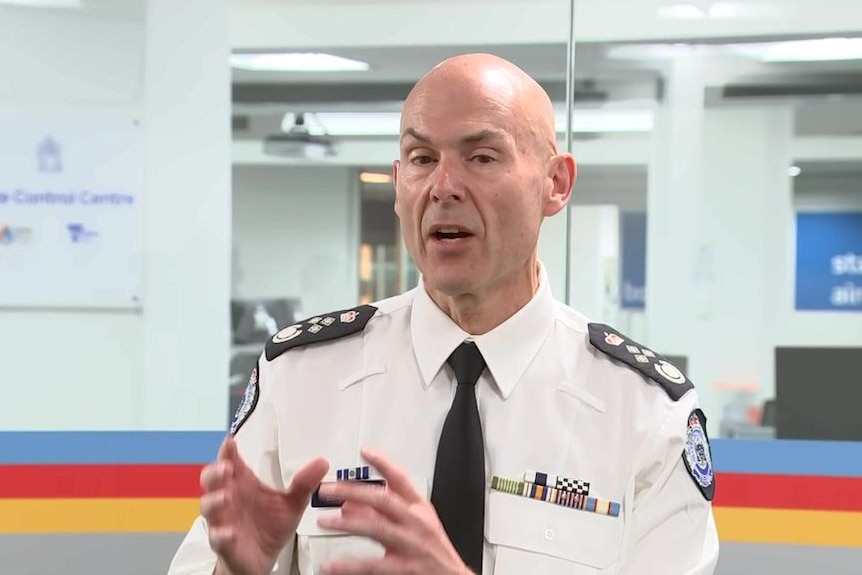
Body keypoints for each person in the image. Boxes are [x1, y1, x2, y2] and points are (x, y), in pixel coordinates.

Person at [168, 53, 719, 575]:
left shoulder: (644, 415)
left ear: (556, 184)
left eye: (481, 157)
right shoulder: (301, 378)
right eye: (422, 159)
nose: (443, 187)